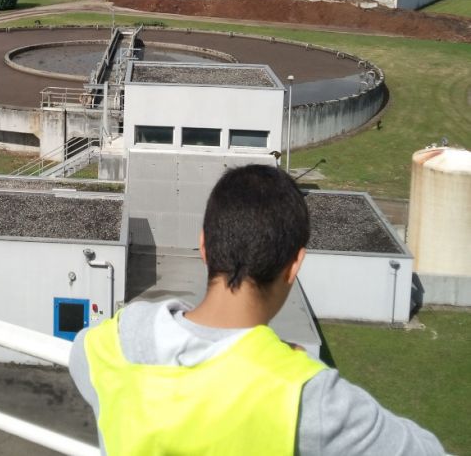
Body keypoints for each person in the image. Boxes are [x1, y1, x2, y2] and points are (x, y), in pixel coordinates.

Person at [69, 164, 445, 455]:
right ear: (294, 265)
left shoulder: (116, 344)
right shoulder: (308, 395)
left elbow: (80, 352)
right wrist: (283, 357)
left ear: (204, 246)